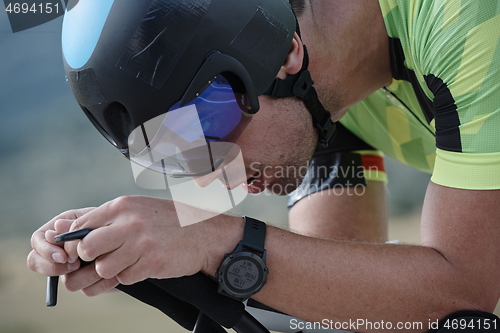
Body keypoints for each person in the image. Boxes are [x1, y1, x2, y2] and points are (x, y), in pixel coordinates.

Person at [28, 0, 500, 331]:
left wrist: (210, 240)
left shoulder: (462, 19)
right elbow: (339, 302)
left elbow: (461, 295)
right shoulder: (315, 99)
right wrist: (144, 252)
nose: (211, 181)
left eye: (209, 132)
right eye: (173, 159)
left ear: (287, 52)